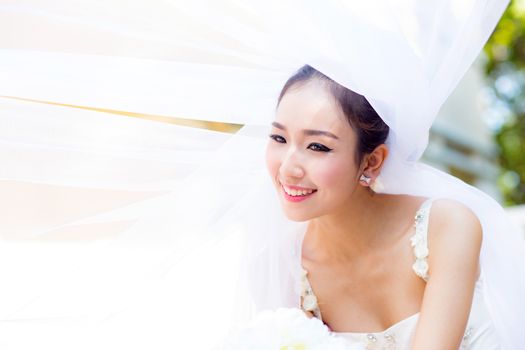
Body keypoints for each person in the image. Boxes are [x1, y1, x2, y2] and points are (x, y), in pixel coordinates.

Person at [262, 64, 496, 348]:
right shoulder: (286, 267)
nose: (288, 169)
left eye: (317, 147)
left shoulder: (446, 226)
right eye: (279, 138)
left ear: (372, 161)